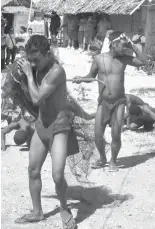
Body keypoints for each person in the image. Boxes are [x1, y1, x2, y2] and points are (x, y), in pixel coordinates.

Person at [14, 35, 78, 229]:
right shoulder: (37, 68)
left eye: (36, 59)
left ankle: (64, 208)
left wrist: (28, 73)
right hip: (42, 125)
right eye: (30, 59)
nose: (33, 63)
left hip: (59, 128)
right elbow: (28, 92)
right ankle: (37, 211)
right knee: (33, 170)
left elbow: (36, 99)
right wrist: (22, 72)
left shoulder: (57, 71)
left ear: (48, 54)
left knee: (57, 175)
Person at [72, 31, 148, 171]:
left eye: (127, 47)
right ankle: (102, 158)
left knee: (116, 134)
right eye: (123, 46)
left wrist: (132, 45)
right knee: (98, 135)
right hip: (103, 102)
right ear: (114, 44)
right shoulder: (99, 59)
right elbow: (91, 75)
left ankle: (113, 160)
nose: (126, 49)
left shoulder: (124, 59)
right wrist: (81, 78)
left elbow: (144, 61)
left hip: (119, 102)